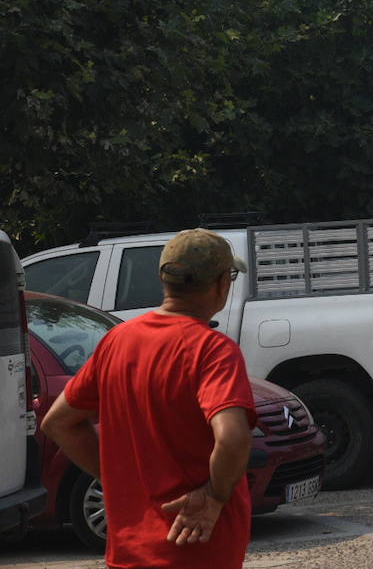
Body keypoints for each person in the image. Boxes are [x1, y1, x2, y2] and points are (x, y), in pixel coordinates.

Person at [41, 229, 255, 569]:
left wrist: (118, 478)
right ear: (221, 284)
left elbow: (58, 422)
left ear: (163, 278)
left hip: (129, 549)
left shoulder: (117, 340)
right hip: (196, 550)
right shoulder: (212, 350)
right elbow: (232, 438)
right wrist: (215, 495)